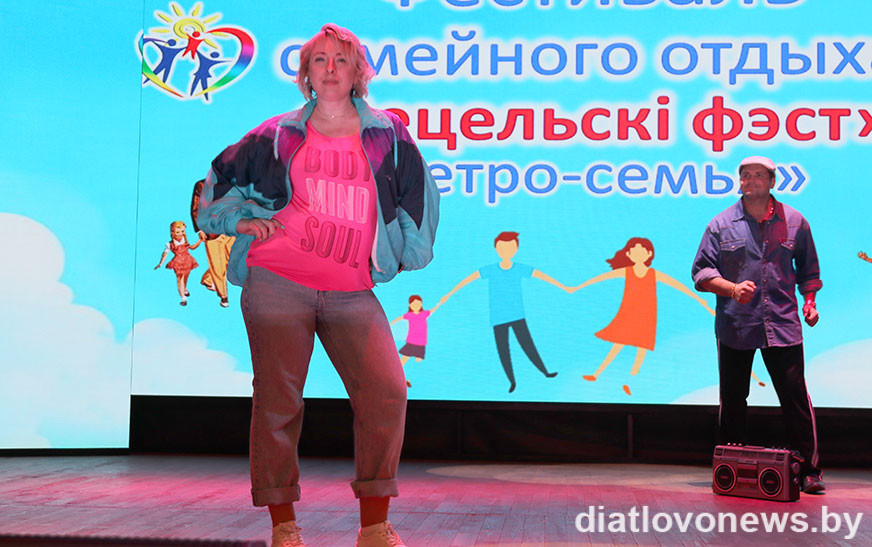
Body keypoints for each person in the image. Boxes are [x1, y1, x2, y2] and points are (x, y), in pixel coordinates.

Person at [196, 23, 440, 547]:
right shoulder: (276, 134)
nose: (330, 69)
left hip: (351, 289)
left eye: (341, 60)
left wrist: (406, 253)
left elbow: (419, 193)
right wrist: (239, 222)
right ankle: (283, 524)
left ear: (357, 73)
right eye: (320, 60)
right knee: (278, 402)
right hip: (277, 280)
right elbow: (214, 188)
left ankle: (374, 525)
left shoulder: (387, 134)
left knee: (387, 392)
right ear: (306, 72)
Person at [691, 156, 824, 494]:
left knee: (794, 397)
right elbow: (701, 273)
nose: (750, 180)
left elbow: (809, 271)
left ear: (772, 181)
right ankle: (731, 469)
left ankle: (808, 470)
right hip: (736, 325)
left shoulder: (795, 222)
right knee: (733, 398)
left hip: (782, 322)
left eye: (758, 175)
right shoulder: (721, 224)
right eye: (745, 175)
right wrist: (732, 289)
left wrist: (810, 303)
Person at [575, 237, 714, 396]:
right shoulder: (627, 271)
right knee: (617, 346)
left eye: (642, 251)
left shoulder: (653, 274)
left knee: (640, 352)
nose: (638, 253)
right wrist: (577, 287)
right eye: (634, 251)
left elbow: (679, 286)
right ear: (628, 254)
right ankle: (597, 374)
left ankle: (630, 382)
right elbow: (602, 278)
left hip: (645, 317)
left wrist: (700, 300)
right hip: (627, 315)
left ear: (649, 254)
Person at [440, 231, 569, 393]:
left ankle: (545, 372)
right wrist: (449, 294)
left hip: (517, 315)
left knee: (528, 345)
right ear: (496, 248)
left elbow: (541, 275)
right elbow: (468, 280)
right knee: (504, 351)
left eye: (510, 247)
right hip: (498, 317)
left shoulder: (520, 268)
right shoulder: (490, 269)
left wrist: (564, 287)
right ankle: (512, 382)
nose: (506, 251)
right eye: (502, 247)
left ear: (516, 248)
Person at [191, 179, 235, 308]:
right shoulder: (201, 185)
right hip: (211, 232)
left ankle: (208, 279)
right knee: (217, 265)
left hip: (230, 229)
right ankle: (223, 296)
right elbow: (196, 209)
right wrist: (200, 229)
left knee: (231, 260)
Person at [389, 295, 443, 387]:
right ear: (410, 305)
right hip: (411, 342)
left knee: (418, 361)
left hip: (421, 343)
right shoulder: (409, 315)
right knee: (403, 360)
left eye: (418, 303)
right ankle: (400, 378)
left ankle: (404, 378)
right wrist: (389, 324)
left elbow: (434, 309)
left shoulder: (424, 314)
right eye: (414, 304)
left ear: (421, 304)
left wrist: (440, 302)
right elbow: (398, 319)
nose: (416, 306)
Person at [154, 220, 205, 306]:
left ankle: (184, 288)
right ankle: (183, 298)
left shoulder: (185, 240)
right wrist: (160, 263)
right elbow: (165, 254)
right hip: (178, 262)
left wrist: (200, 241)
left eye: (182, 231)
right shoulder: (170, 244)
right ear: (173, 233)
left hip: (188, 260)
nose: (180, 234)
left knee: (185, 277)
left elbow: (192, 247)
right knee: (180, 279)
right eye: (178, 232)